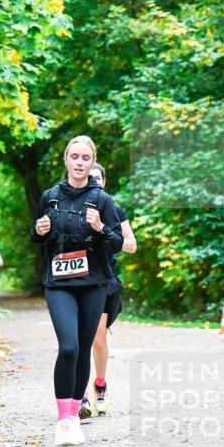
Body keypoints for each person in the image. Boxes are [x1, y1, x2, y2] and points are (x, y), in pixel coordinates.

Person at [30, 135, 124, 447]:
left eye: (86, 157)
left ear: (91, 161)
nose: (80, 162)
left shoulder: (102, 200)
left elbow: (118, 244)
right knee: (68, 347)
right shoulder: (51, 196)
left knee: (84, 349)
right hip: (59, 283)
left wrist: (100, 228)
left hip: (94, 283)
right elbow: (38, 236)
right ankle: (63, 420)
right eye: (75, 156)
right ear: (66, 159)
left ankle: (73, 417)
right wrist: (38, 232)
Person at [79, 163, 136, 420]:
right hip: (75, 281)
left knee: (98, 338)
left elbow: (131, 246)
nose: (93, 181)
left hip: (103, 281)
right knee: (78, 339)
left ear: (103, 182)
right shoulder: (71, 208)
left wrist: (103, 228)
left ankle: (100, 385)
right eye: (89, 177)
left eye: (97, 178)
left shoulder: (115, 210)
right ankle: (80, 396)